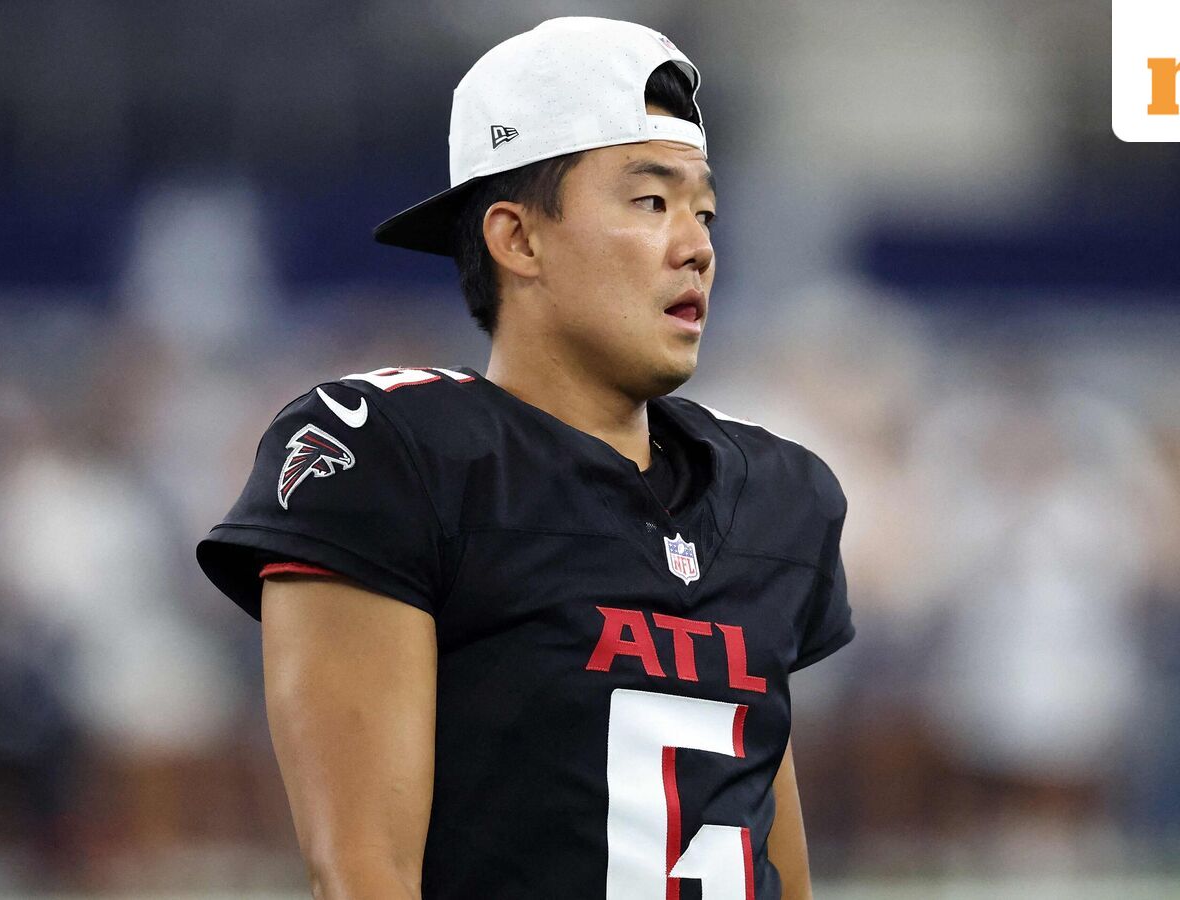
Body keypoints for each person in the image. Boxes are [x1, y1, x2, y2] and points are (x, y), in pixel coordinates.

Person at [196, 16, 854, 899]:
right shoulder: (396, 452)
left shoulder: (773, 492)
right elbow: (362, 874)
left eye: (704, 211)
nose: (696, 244)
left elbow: (773, 858)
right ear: (517, 239)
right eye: (650, 202)